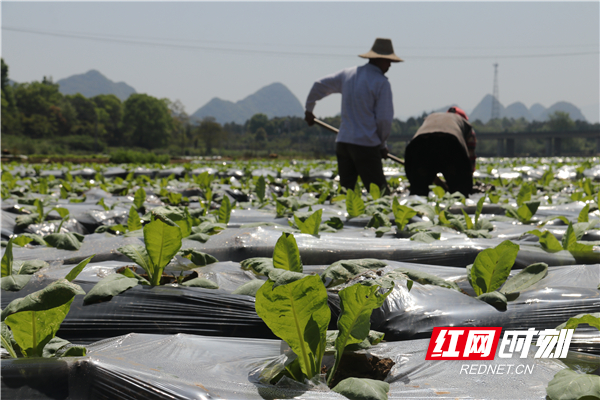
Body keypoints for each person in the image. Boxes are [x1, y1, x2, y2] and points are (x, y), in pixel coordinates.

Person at [304, 38, 403, 194]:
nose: (390, 65)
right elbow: (384, 120)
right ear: (379, 60)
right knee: (381, 195)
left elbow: (319, 85)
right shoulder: (381, 83)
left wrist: (309, 110)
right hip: (366, 146)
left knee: (346, 193)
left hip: (344, 143)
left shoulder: (348, 75)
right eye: (388, 61)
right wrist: (382, 145)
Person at [404, 107, 477, 197]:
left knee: (418, 192)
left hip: (420, 145)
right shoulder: (465, 124)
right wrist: (468, 177)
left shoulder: (432, 118)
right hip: (450, 144)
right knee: (460, 193)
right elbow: (471, 154)